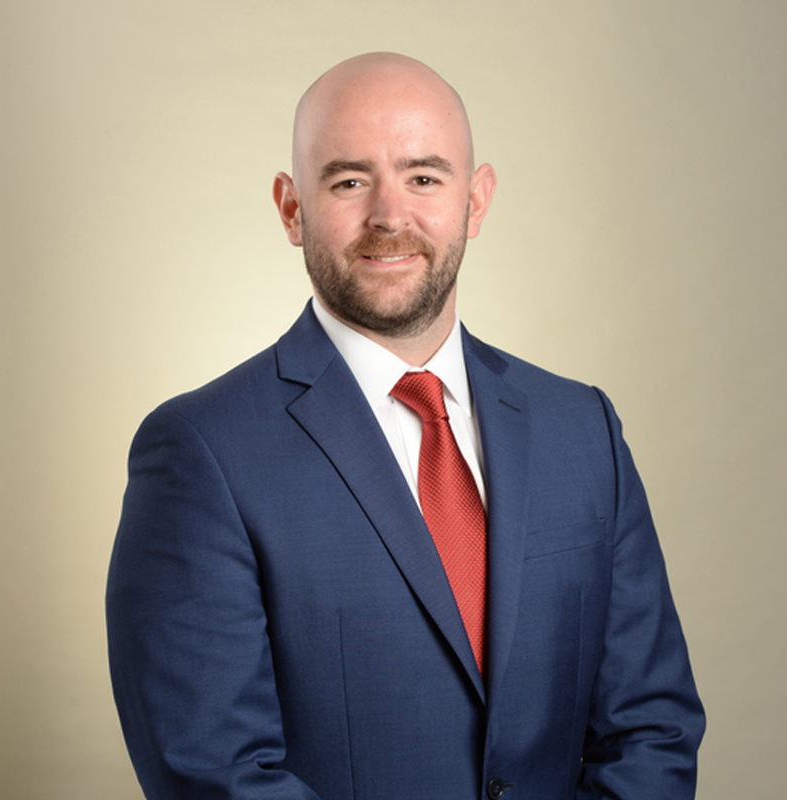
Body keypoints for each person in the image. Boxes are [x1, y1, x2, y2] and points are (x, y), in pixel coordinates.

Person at [106, 52, 704, 800]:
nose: (390, 216)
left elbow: (652, 730)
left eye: (424, 177)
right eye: (349, 181)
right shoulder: (201, 454)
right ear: (291, 208)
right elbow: (215, 773)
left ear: (475, 202)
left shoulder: (583, 430)